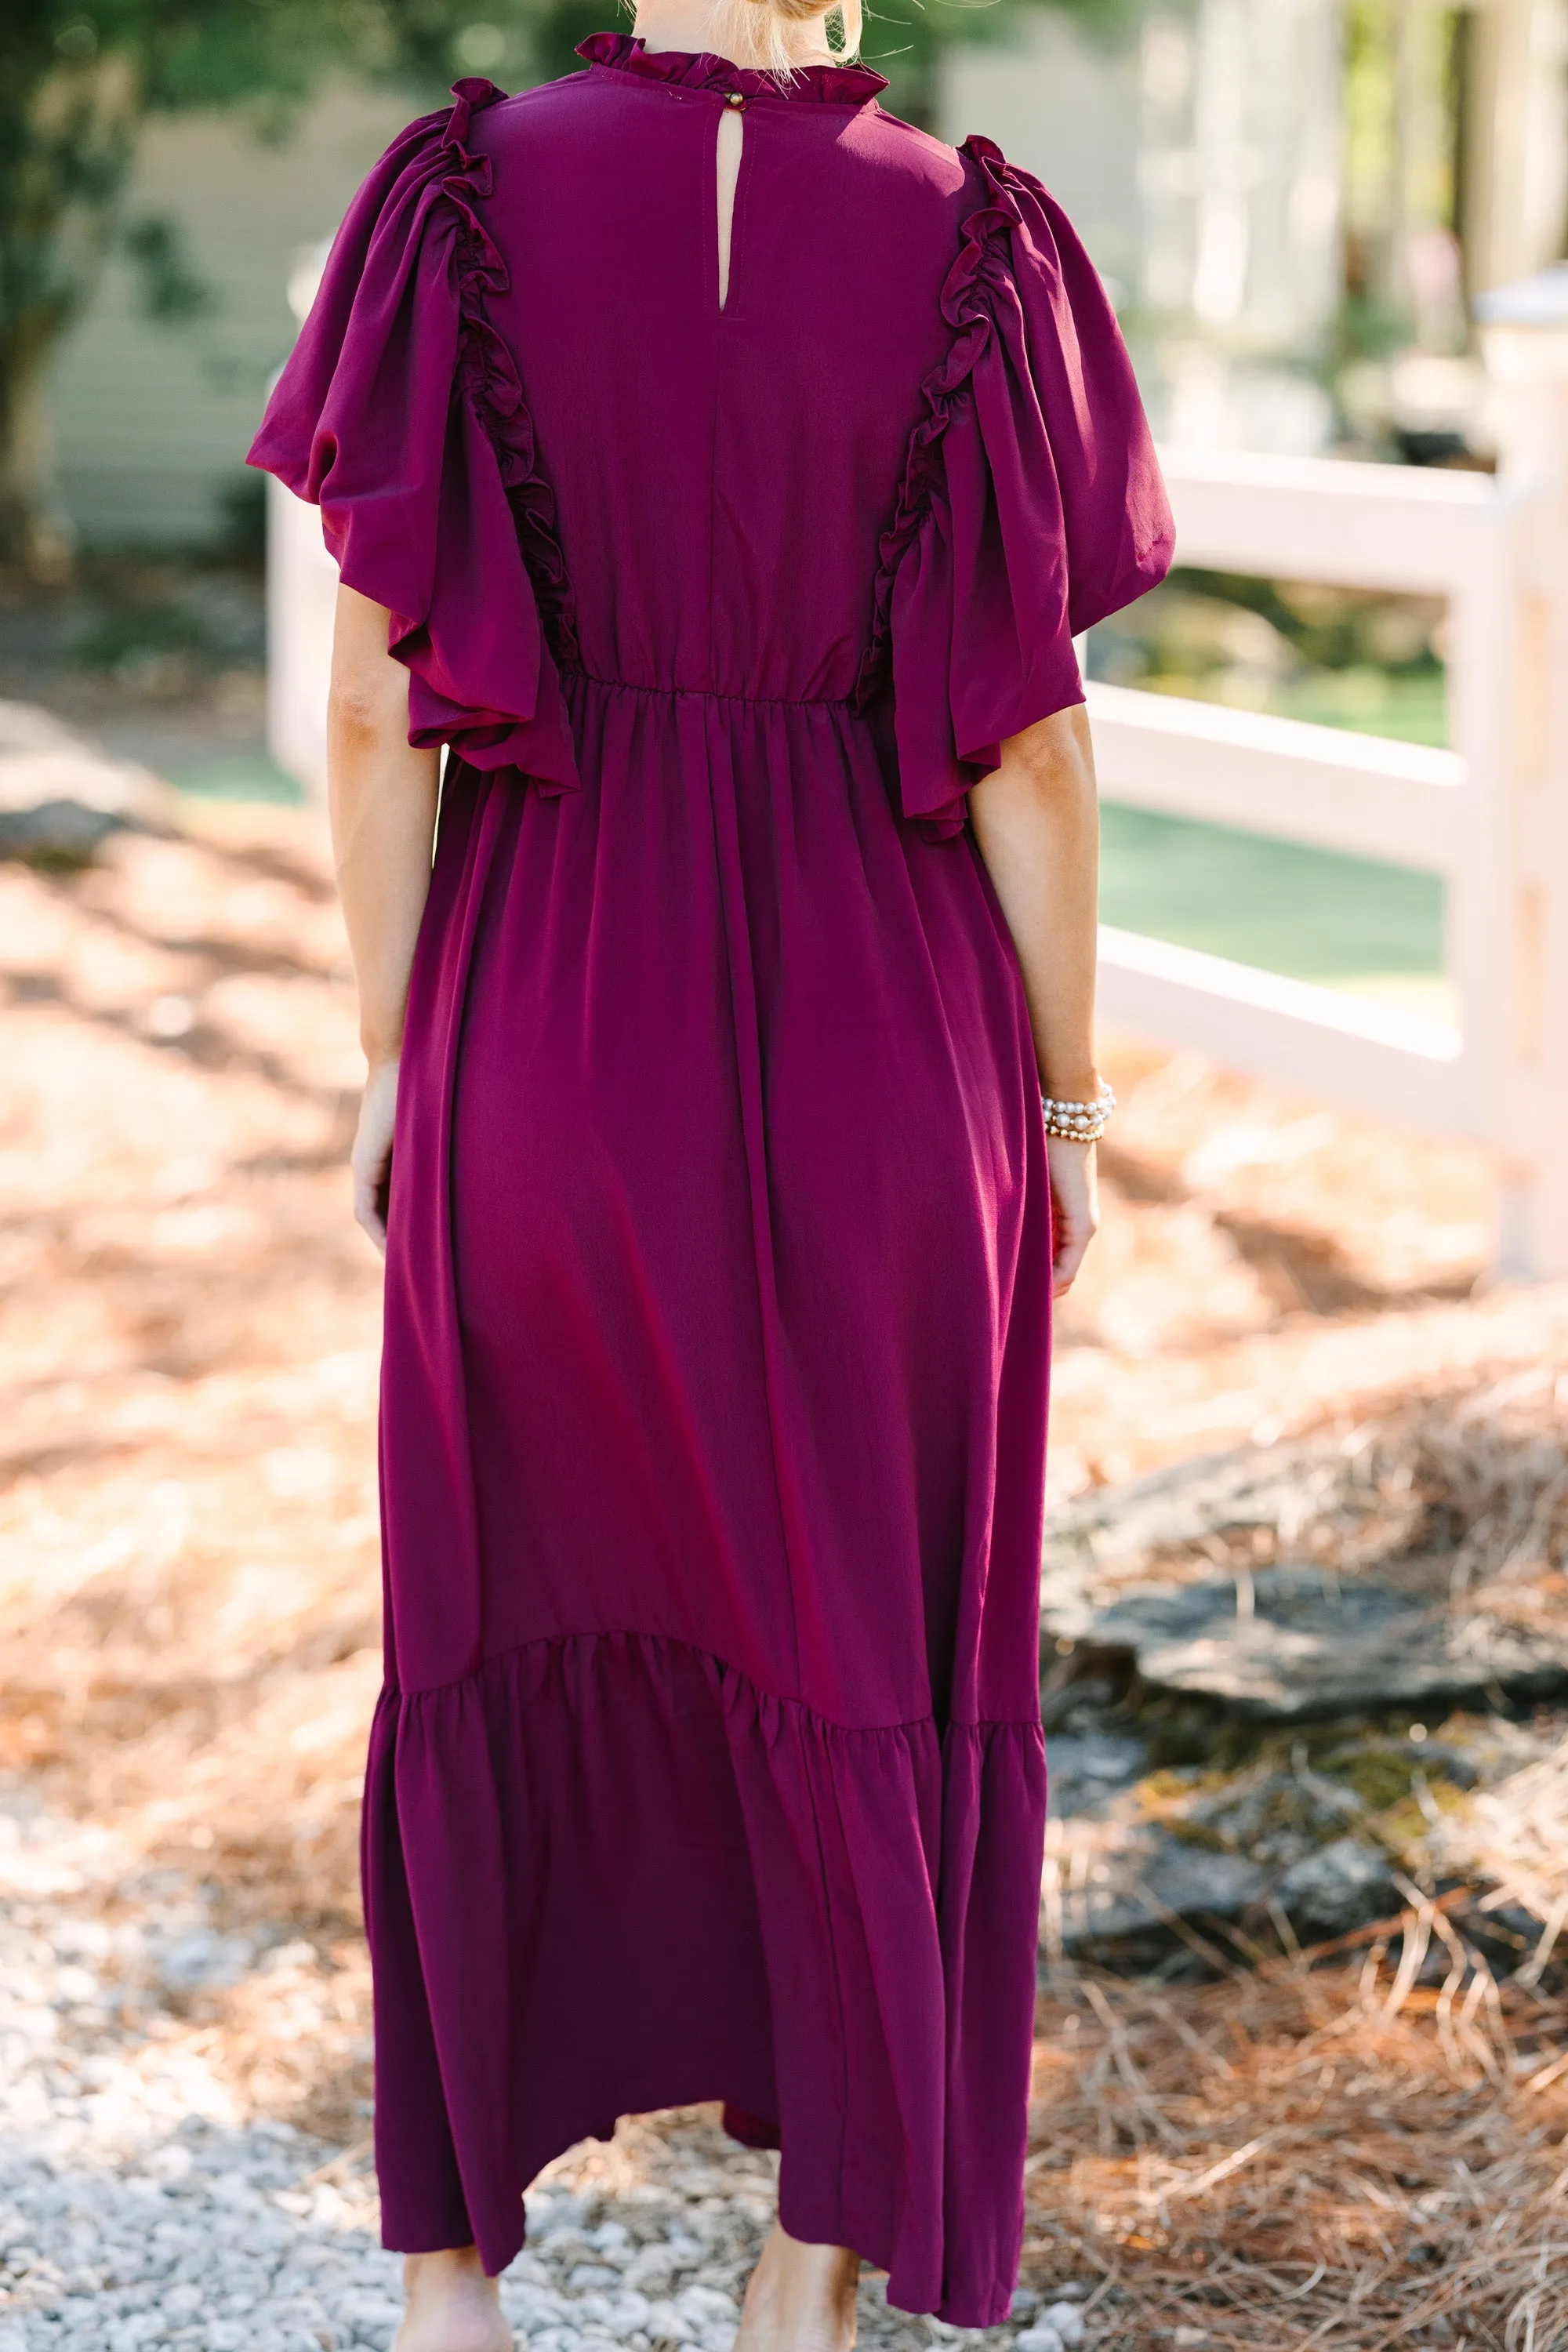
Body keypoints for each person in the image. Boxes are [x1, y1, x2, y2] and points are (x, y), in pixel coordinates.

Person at [248, 0, 1172, 2343]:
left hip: (538, 1020)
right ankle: (805, 2281)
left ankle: (452, 2282)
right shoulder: (974, 251)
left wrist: (393, 1058)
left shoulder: (453, 214)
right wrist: (1068, 1110)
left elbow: (373, 706)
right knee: (863, 1642)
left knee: (501, 1601)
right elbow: (1031, 767)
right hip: (888, 1056)